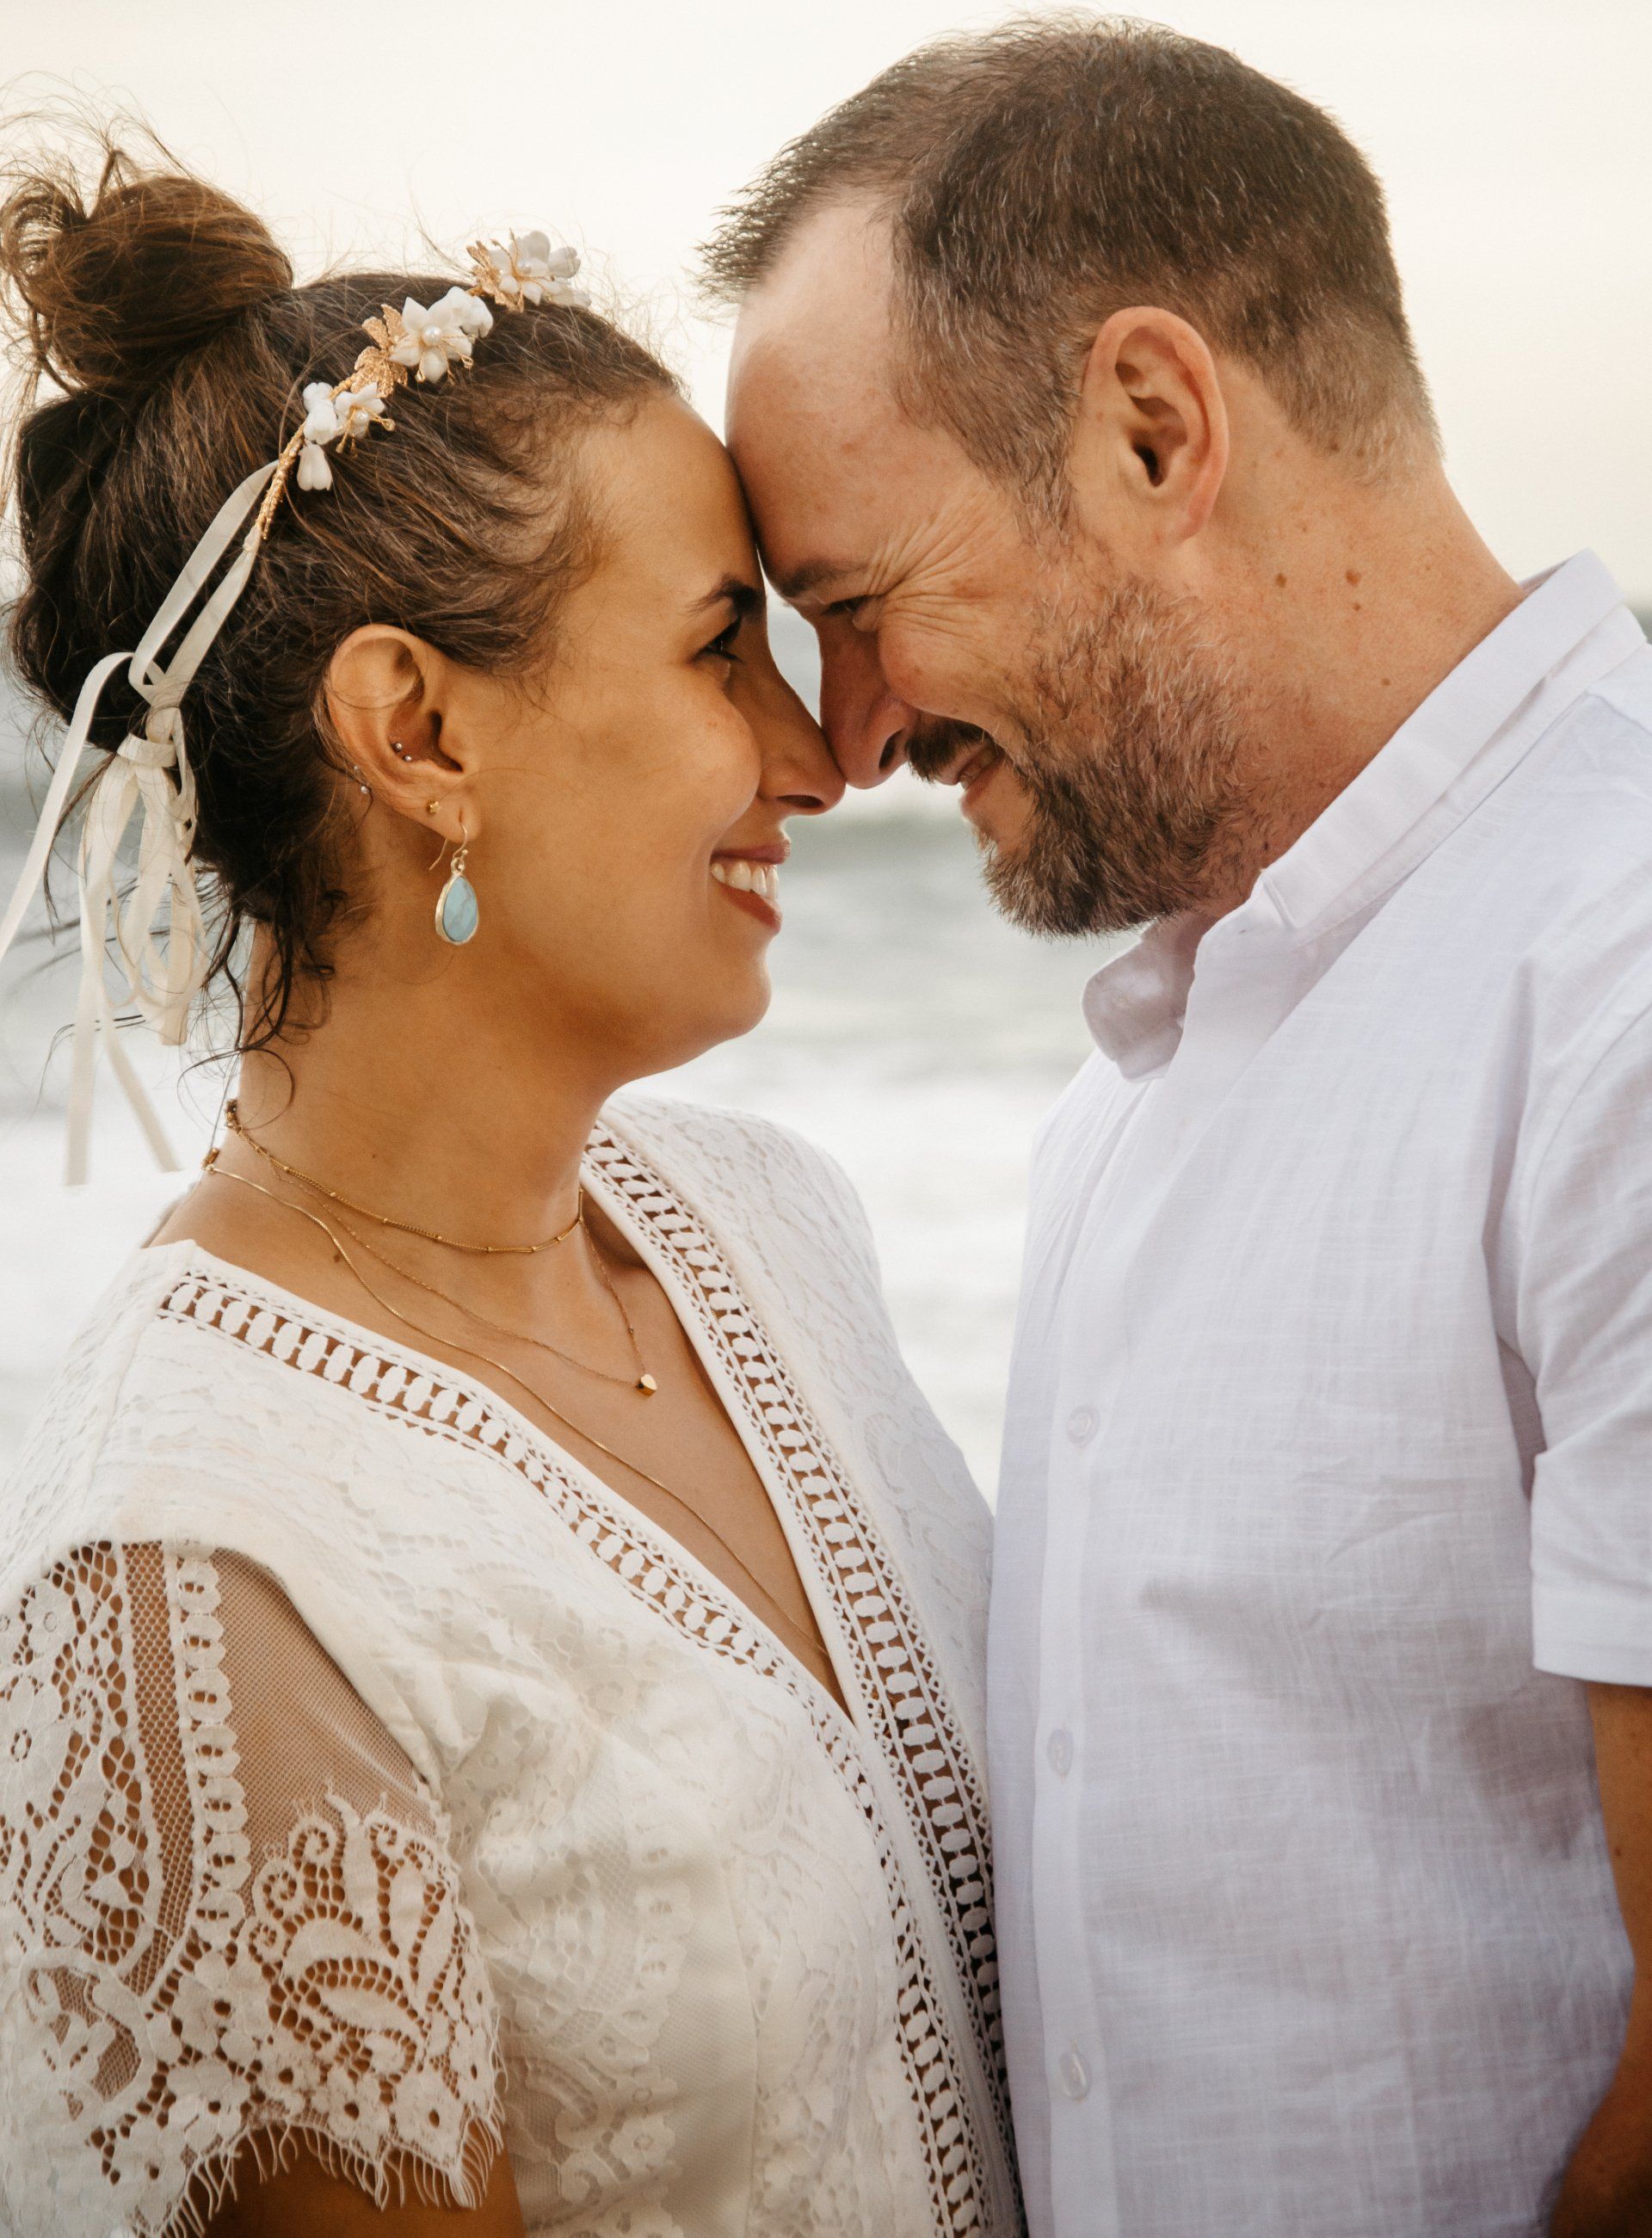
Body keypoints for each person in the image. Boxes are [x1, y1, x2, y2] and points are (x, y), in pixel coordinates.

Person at [0, 134, 1021, 2238]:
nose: (823, 757)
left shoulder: (774, 1226)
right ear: (418, 730)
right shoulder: (197, 1570)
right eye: (721, 644)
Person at [707, 14, 1652, 2238]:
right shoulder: (1148, 1074)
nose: (845, 746)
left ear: (1151, 428)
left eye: (857, 607)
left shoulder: (1613, 977)